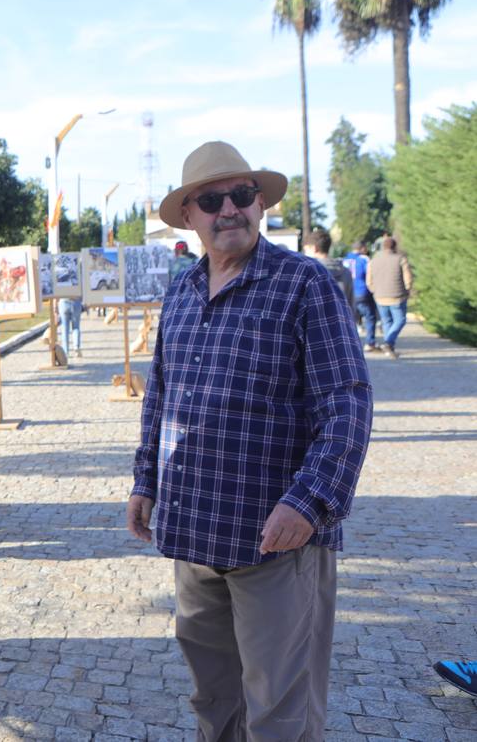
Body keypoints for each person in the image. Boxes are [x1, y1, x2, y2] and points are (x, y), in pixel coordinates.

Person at [127, 140, 372, 740]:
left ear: (260, 204)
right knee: (213, 699)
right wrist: (145, 480)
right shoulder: (181, 293)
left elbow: (347, 403)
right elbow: (161, 396)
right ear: (190, 215)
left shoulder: (305, 286)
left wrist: (308, 502)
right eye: (211, 200)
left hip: (275, 539)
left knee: (280, 710)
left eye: (240, 195)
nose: (228, 209)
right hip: (194, 531)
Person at [367, 234, 413, 359]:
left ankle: (389, 347)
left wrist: (373, 290)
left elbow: (369, 279)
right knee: (400, 320)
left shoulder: (373, 259)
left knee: (387, 321)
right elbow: (407, 276)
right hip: (397, 296)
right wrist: (408, 289)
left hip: (379, 296)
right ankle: (388, 343)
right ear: (394, 246)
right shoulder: (400, 258)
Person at [342, 240, 379, 351]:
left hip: (348, 293)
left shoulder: (345, 260)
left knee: (350, 319)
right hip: (362, 292)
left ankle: (350, 344)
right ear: (362, 248)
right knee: (370, 317)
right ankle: (370, 342)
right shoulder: (364, 259)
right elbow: (370, 275)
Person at [306, 229, 355, 312]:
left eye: (306, 250)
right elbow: (350, 303)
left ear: (314, 248)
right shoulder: (346, 271)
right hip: (342, 320)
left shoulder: (309, 272)